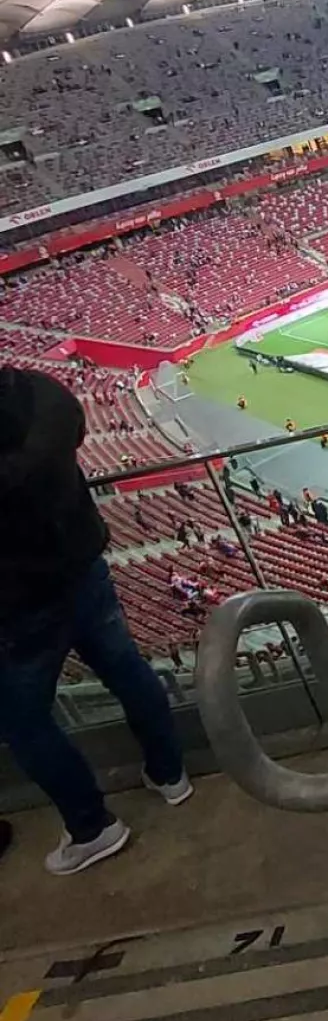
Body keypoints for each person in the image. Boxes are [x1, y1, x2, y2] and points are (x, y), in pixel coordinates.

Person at [0, 363, 192, 876]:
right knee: (127, 669)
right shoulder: (40, 396)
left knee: (23, 722)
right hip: (82, 567)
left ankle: (91, 827)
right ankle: (170, 773)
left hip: (17, 609)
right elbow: (69, 422)